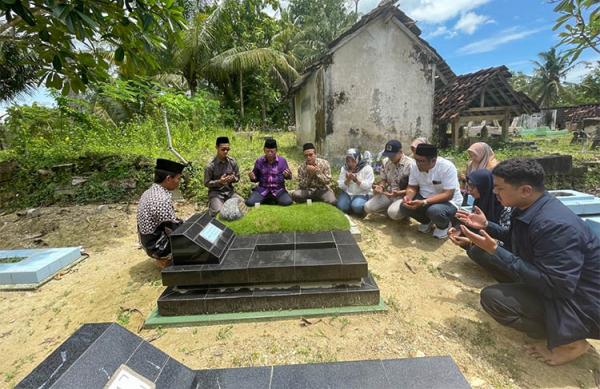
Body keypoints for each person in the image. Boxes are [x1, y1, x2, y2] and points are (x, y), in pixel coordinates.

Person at [452, 158, 599, 366]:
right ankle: (555, 325)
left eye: (500, 188)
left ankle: (571, 340)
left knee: (494, 298)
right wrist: (487, 225)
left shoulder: (555, 226)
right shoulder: (528, 207)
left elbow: (558, 287)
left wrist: (495, 249)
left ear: (525, 190)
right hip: (553, 281)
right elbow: (515, 239)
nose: (495, 193)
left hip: (581, 301)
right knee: (484, 254)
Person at [398, 143, 463, 239]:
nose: (418, 163)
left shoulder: (447, 167)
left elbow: (448, 194)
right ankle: (426, 221)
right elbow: (412, 187)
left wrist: (424, 202)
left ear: (433, 160)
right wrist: (408, 197)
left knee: (435, 211)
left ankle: (444, 226)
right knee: (404, 207)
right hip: (425, 198)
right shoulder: (414, 166)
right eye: (416, 160)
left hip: (448, 201)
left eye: (422, 161)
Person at [137, 158, 186, 268]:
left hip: (147, 240)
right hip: (157, 245)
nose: (179, 182)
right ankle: (166, 258)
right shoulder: (161, 199)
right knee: (189, 236)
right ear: (168, 178)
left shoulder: (149, 191)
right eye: (178, 178)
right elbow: (174, 229)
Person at [364, 140, 412, 219]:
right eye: (388, 155)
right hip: (388, 194)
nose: (390, 157)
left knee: (393, 213)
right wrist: (381, 186)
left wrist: (399, 193)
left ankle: (404, 213)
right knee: (367, 207)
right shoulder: (386, 161)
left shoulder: (410, 164)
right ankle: (389, 209)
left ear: (400, 152)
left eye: (392, 155)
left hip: (402, 196)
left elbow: (413, 187)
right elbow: (383, 179)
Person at [246, 138, 293, 206]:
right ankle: (269, 199)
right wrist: (252, 177)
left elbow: (289, 177)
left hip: (278, 190)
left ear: (276, 150)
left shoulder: (282, 161)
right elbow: (255, 179)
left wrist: (287, 175)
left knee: (287, 202)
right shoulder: (259, 161)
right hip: (263, 189)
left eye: (272, 151)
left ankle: (269, 199)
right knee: (250, 203)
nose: (269, 153)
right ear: (264, 150)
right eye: (267, 151)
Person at [204, 136, 242, 215]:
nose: (225, 151)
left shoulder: (232, 162)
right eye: (223, 149)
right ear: (216, 148)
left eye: (227, 149)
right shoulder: (210, 165)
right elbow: (206, 183)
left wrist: (233, 178)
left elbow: (237, 177)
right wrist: (219, 182)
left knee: (243, 205)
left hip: (229, 192)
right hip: (216, 193)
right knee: (219, 213)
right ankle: (212, 205)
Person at [336, 148, 374, 216]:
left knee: (357, 207)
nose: (350, 163)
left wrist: (356, 180)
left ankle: (359, 208)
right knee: (341, 207)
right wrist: (347, 180)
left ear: (358, 159)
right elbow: (340, 185)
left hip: (361, 193)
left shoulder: (367, 168)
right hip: (348, 193)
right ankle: (350, 206)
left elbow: (368, 186)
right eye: (348, 161)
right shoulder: (344, 168)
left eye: (353, 161)